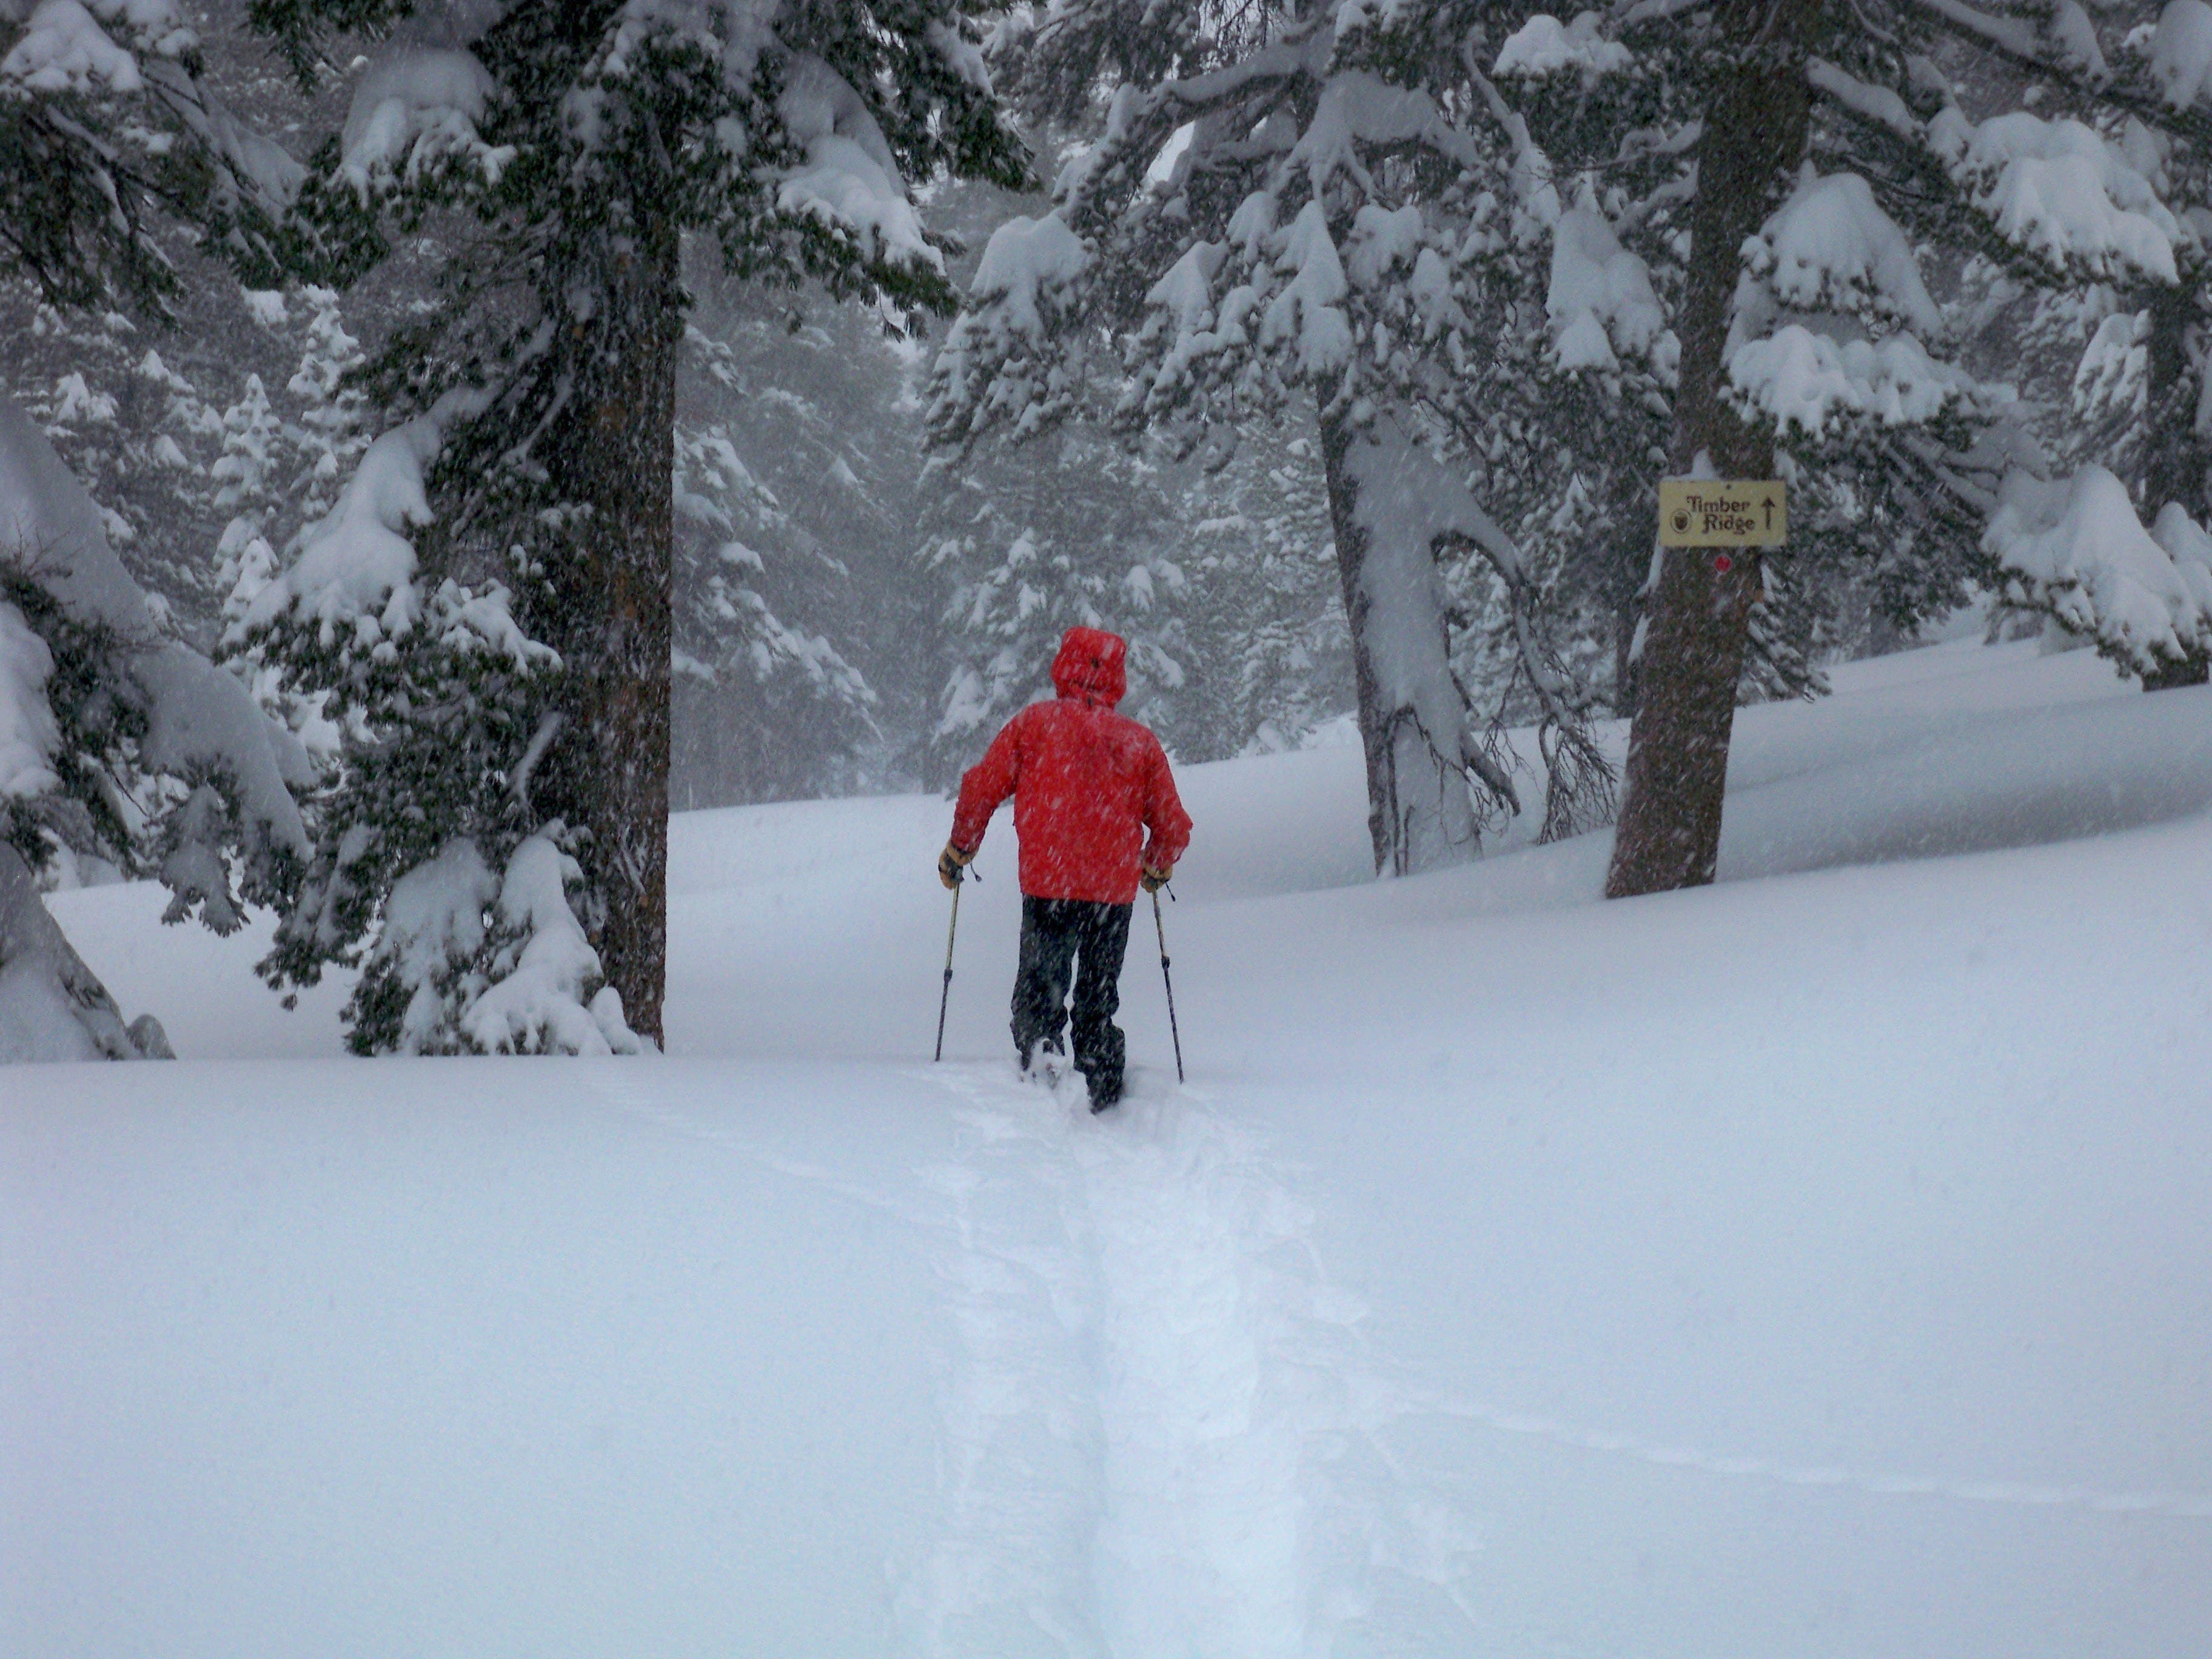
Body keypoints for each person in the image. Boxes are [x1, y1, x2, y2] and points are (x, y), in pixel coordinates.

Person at [939, 626, 1192, 1111]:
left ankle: (1044, 1078)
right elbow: (1172, 825)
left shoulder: (1034, 725)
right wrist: (1156, 865)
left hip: (1048, 885)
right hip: (1111, 895)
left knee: (1041, 992)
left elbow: (982, 788)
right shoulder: (1137, 742)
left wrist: (960, 848)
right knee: (1098, 1000)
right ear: (1116, 676)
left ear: (1064, 667)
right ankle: (1102, 1089)